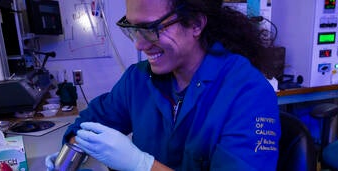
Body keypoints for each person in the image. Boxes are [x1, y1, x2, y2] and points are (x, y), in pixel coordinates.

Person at [46, 0, 280, 170]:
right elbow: (88, 124)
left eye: (150, 29)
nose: (139, 45)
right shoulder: (137, 80)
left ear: (196, 24)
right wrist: (70, 155)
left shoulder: (249, 94)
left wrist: (142, 165)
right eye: (133, 29)